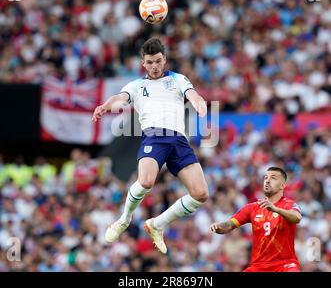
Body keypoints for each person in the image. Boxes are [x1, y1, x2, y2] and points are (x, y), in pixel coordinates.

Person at [92, 37, 209, 254]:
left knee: (201, 193)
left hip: (179, 141)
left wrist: (198, 102)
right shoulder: (137, 86)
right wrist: (106, 105)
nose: (154, 66)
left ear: (164, 60)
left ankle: (158, 224)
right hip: (154, 137)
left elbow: (192, 93)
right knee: (145, 181)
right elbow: (120, 97)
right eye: (149, 62)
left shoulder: (177, 79)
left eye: (157, 61)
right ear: (143, 64)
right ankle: (124, 220)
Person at [209, 166, 302, 272]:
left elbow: (297, 217)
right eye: (265, 178)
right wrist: (218, 226)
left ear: (282, 185)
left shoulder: (289, 204)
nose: (267, 181)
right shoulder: (252, 208)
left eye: (273, 178)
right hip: (259, 266)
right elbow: (229, 225)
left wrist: (277, 210)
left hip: (284, 264)